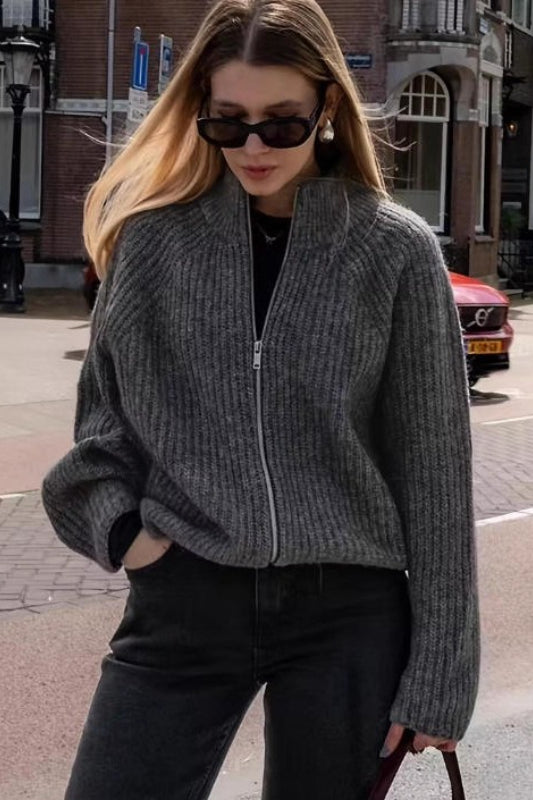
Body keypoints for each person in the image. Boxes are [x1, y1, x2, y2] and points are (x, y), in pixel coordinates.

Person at [41, 1, 480, 798]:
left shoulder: (393, 250)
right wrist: (127, 535)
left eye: (280, 123)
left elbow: (434, 473)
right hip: (187, 597)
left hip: (347, 614)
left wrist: (442, 672)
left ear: (327, 107)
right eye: (227, 122)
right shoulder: (151, 242)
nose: (252, 147)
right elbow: (102, 430)